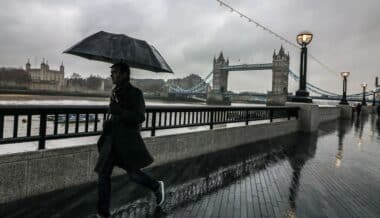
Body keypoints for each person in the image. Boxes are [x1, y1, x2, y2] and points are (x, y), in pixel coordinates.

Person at [95, 63, 165, 217]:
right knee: (103, 174)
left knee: (133, 174)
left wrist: (118, 111)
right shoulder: (115, 92)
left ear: (125, 74)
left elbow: (140, 117)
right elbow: (115, 116)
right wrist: (109, 122)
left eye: (115, 72)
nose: (111, 75)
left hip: (126, 142)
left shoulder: (136, 93)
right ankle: (103, 213)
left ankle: (156, 186)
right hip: (111, 141)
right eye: (111, 72)